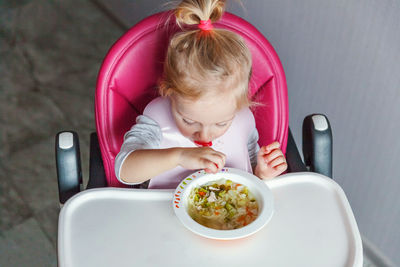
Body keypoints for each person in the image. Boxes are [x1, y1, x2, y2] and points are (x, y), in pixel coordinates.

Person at [115, 0, 287, 189]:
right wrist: (179, 156)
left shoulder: (244, 119)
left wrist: (262, 174)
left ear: (239, 104)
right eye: (189, 121)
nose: (205, 135)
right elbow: (124, 170)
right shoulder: (156, 119)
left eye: (221, 123)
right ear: (168, 92)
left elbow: (249, 175)